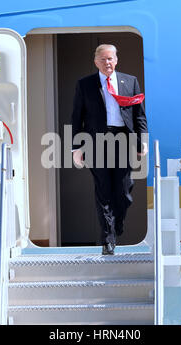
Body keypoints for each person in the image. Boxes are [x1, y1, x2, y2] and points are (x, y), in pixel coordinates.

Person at [71, 44, 148, 255]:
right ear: (96, 62)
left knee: (123, 191)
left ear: (116, 60)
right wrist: (76, 147)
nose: (108, 63)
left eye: (111, 58)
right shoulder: (85, 84)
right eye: (103, 59)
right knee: (103, 191)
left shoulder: (130, 82)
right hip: (97, 141)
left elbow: (139, 115)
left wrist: (142, 139)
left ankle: (116, 226)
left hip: (123, 139)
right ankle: (108, 239)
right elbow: (77, 118)